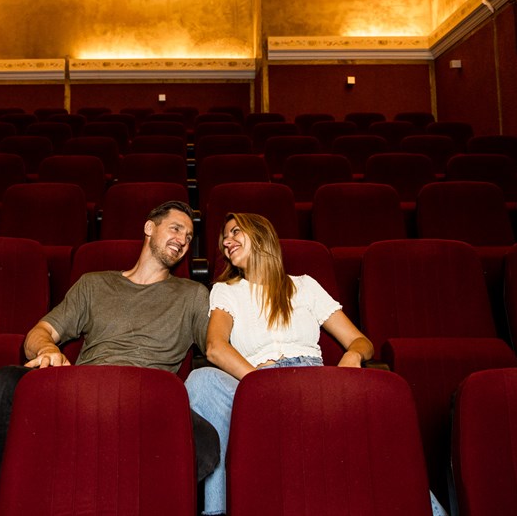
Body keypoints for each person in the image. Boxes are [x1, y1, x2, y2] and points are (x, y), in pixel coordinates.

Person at [186, 212, 448, 516]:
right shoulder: (226, 291)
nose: (226, 242)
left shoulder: (304, 286)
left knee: (378, 441)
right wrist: (262, 387)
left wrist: (353, 355)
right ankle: (218, 510)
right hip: (257, 383)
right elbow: (216, 348)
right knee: (202, 381)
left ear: (260, 236)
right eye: (224, 238)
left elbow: (361, 341)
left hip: (314, 383)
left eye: (235, 232)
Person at [0, 200, 218, 516]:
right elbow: (40, 332)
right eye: (175, 229)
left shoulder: (193, 295)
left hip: (145, 396)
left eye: (188, 237)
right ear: (149, 228)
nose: (182, 241)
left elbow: (218, 347)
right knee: (2, 384)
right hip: (83, 389)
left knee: (205, 440)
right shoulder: (94, 283)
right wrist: (48, 350)